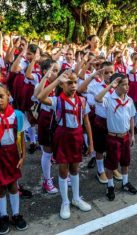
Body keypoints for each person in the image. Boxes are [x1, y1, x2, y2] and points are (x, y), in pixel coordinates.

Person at [37, 71, 93, 220]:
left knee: (75, 168)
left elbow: (86, 122)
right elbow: (40, 97)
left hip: (77, 137)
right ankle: (65, 201)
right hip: (62, 137)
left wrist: (91, 143)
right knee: (63, 170)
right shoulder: (56, 100)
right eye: (69, 83)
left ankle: (75, 198)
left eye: (75, 82)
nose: (74, 85)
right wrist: (56, 81)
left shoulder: (81, 100)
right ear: (62, 85)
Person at [95, 73, 137, 201]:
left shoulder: (129, 100)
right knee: (111, 164)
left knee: (125, 161)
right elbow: (97, 98)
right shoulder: (109, 99)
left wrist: (132, 135)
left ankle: (125, 183)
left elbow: (131, 117)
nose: (127, 87)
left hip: (125, 136)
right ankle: (110, 186)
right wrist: (110, 87)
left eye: (127, 84)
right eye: (123, 84)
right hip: (113, 137)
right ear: (116, 86)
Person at [0, 84, 29, 233]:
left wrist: (23, 156)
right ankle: (3, 215)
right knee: (0, 187)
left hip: (11, 153)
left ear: (8, 96)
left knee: (12, 185)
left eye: (1, 96)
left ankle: (16, 214)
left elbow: (22, 136)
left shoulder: (17, 115)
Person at [33, 59, 60, 194]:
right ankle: (47, 180)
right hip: (46, 118)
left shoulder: (60, 84)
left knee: (59, 148)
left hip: (58, 118)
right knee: (47, 151)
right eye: (54, 70)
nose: (57, 73)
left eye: (57, 70)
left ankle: (63, 175)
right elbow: (37, 95)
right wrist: (47, 77)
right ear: (45, 72)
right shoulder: (42, 83)